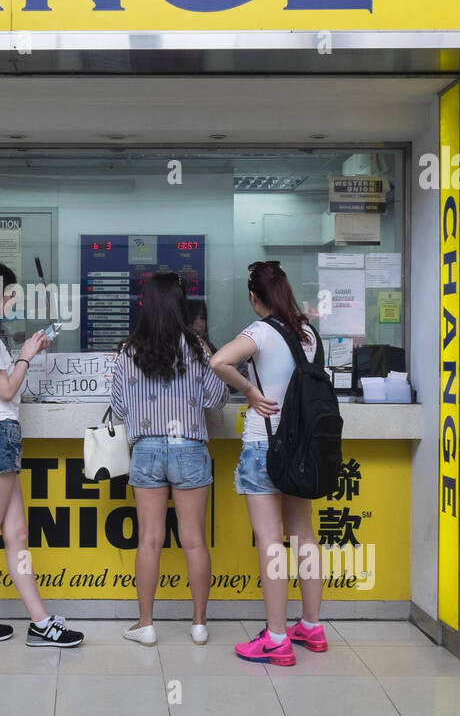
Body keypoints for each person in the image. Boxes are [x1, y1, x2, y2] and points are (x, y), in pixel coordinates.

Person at [0, 260, 84, 647]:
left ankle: (39, 622)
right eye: (7, 295)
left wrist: (28, 352)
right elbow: (5, 391)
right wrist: (25, 354)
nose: (12, 301)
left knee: (16, 534)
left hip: (1, 436)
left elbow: (3, 388)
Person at [209, 260, 328, 666]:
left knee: (271, 541)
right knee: (304, 536)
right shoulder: (309, 334)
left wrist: (249, 390)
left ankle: (276, 637)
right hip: (302, 449)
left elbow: (218, 361)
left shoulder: (260, 331)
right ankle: (311, 627)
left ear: (253, 297)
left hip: (265, 447)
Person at [111, 272, 229, 646]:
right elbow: (219, 399)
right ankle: (198, 624)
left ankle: (145, 624)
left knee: (149, 540)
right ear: (181, 305)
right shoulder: (197, 348)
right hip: (189, 447)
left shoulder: (128, 351)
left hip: (146, 449)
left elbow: (117, 408)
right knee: (193, 540)